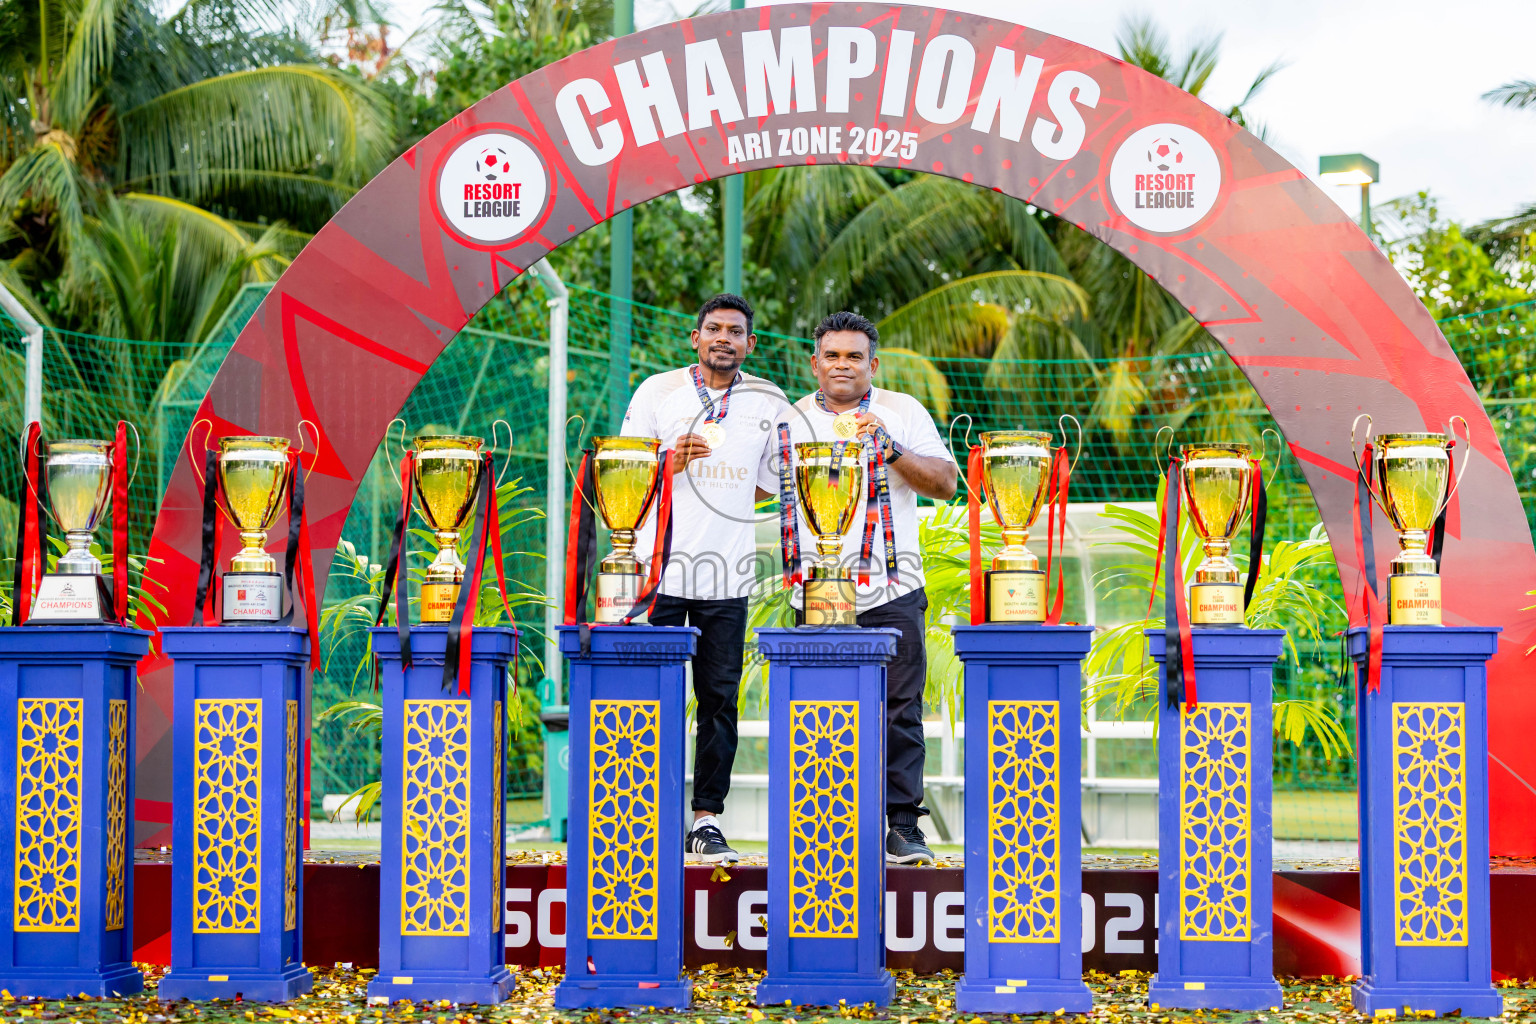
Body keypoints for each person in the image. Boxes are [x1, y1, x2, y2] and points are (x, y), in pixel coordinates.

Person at [784, 311, 959, 865]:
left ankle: (903, 827)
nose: (842, 365)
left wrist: (893, 451)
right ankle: (821, 826)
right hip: (816, 591)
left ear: (872, 364)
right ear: (814, 363)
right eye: (831, 356)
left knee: (900, 710)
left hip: (893, 586)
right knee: (816, 711)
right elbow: (758, 483)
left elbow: (948, 484)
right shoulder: (787, 418)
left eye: (853, 356)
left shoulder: (902, 411)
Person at [621, 293, 787, 863]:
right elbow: (623, 471)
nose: (724, 338)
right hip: (654, 571)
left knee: (718, 701)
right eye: (713, 328)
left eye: (735, 331)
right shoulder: (655, 391)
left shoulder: (770, 399)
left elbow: (772, 482)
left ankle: (705, 819)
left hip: (726, 575)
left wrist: (727, 493)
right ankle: (641, 814)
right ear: (694, 338)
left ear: (750, 343)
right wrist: (669, 462)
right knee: (650, 697)